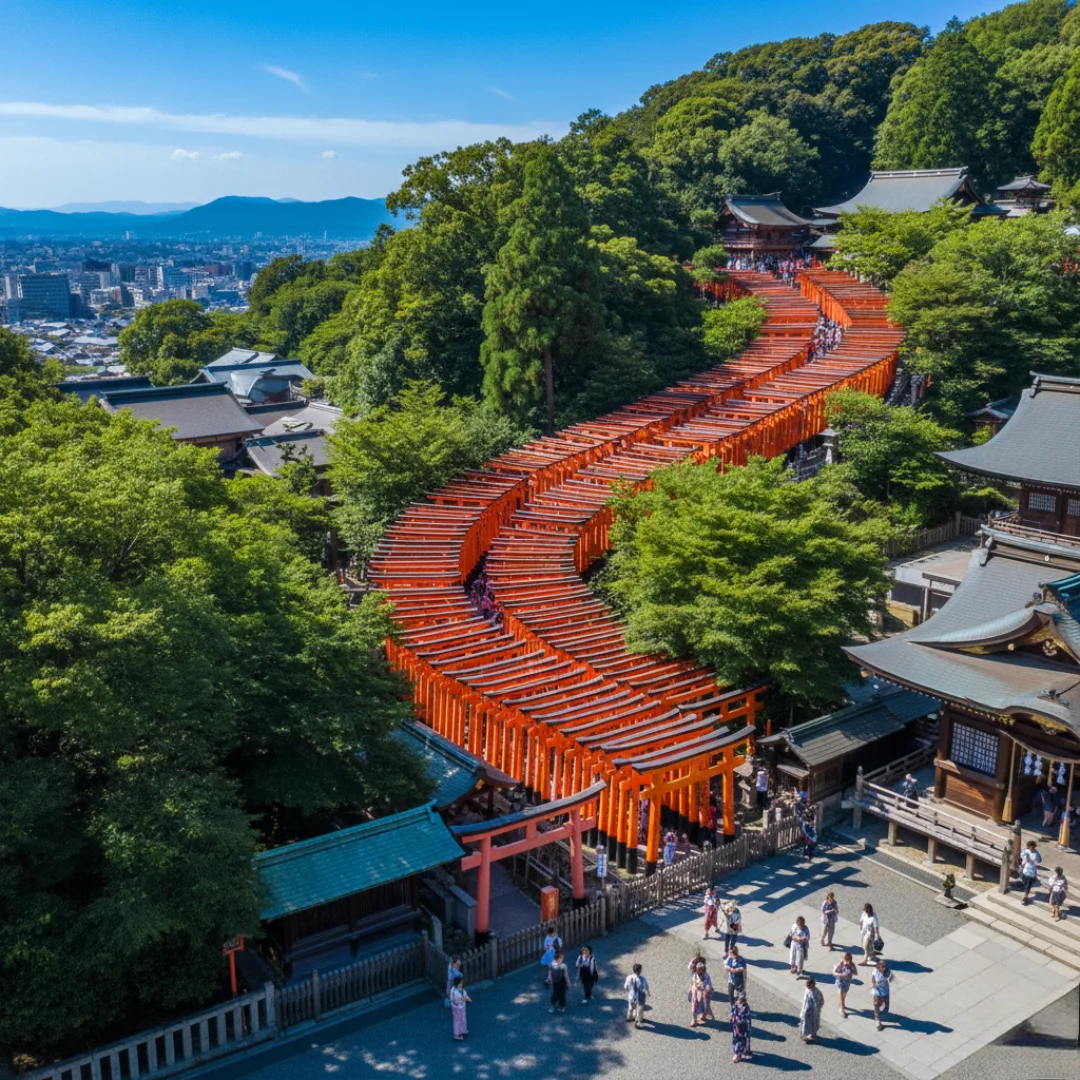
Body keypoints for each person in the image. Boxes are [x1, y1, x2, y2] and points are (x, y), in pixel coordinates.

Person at [871, 958, 894, 1030]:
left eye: (885, 966)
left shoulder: (888, 971)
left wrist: (889, 980)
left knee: (885, 1007)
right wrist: (873, 984)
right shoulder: (876, 971)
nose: (884, 967)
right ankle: (877, 1020)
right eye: (882, 966)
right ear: (879, 967)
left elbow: (892, 977)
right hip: (877, 990)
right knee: (876, 1003)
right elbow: (873, 978)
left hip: (885, 990)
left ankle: (880, 1010)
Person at [624, 963, 649, 1028]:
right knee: (640, 1009)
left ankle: (629, 1017)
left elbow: (625, 986)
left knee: (631, 1007)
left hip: (631, 996)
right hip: (640, 997)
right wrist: (648, 993)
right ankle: (639, 1021)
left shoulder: (629, 977)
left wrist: (628, 991)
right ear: (640, 971)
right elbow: (646, 987)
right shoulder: (643, 979)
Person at [799, 977, 824, 1042]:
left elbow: (819, 1002)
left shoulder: (815, 992)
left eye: (808, 985)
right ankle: (807, 1034)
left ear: (813, 984)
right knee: (807, 1023)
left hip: (812, 1011)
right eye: (806, 984)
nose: (807, 986)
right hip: (806, 1009)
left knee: (812, 1023)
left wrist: (817, 1009)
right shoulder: (807, 989)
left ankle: (811, 1035)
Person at [833, 952, 857, 1018]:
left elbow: (856, 973)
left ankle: (840, 1004)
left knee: (843, 996)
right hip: (840, 982)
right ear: (844, 959)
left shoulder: (852, 965)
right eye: (847, 961)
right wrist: (842, 975)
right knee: (841, 997)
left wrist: (851, 970)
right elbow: (834, 973)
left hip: (847, 983)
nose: (848, 962)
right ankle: (842, 1010)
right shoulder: (840, 964)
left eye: (850, 961)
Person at [689, 961, 713, 1026]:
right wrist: (691, 988)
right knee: (694, 1006)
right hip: (696, 993)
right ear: (696, 969)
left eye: (701, 969)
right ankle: (694, 1020)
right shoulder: (695, 975)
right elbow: (693, 982)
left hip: (704, 993)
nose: (700, 971)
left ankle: (703, 1016)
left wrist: (708, 989)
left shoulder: (706, 976)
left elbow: (709, 986)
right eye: (698, 969)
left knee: (705, 1006)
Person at [731, 993, 753, 1063]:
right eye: (741, 1000)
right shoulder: (736, 1004)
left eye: (743, 1000)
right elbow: (733, 1012)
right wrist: (735, 1018)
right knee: (737, 1040)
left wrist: (741, 1021)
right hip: (737, 1026)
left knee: (743, 1040)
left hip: (744, 1027)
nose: (741, 1002)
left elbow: (748, 1017)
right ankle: (737, 1053)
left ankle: (738, 1054)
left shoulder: (746, 1007)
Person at [1019, 839, 1043, 903]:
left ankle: (1025, 896)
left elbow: (1039, 860)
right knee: (1026, 882)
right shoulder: (1032, 852)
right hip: (1028, 869)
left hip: (1028, 870)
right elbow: (1039, 860)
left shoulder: (1029, 852)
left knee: (1027, 883)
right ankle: (1026, 890)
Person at [450, 975, 471, 1041]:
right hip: (458, 1007)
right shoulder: (455, 992)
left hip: (459, 1007)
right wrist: (467, 999)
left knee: (462, 1019)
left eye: (461, 983)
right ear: (457, 984)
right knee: (458, 1020)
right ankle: (457, 1034)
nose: (461, 985)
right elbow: (463, 996)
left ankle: (462, 1030)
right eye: (460, 983)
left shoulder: (455, 990)